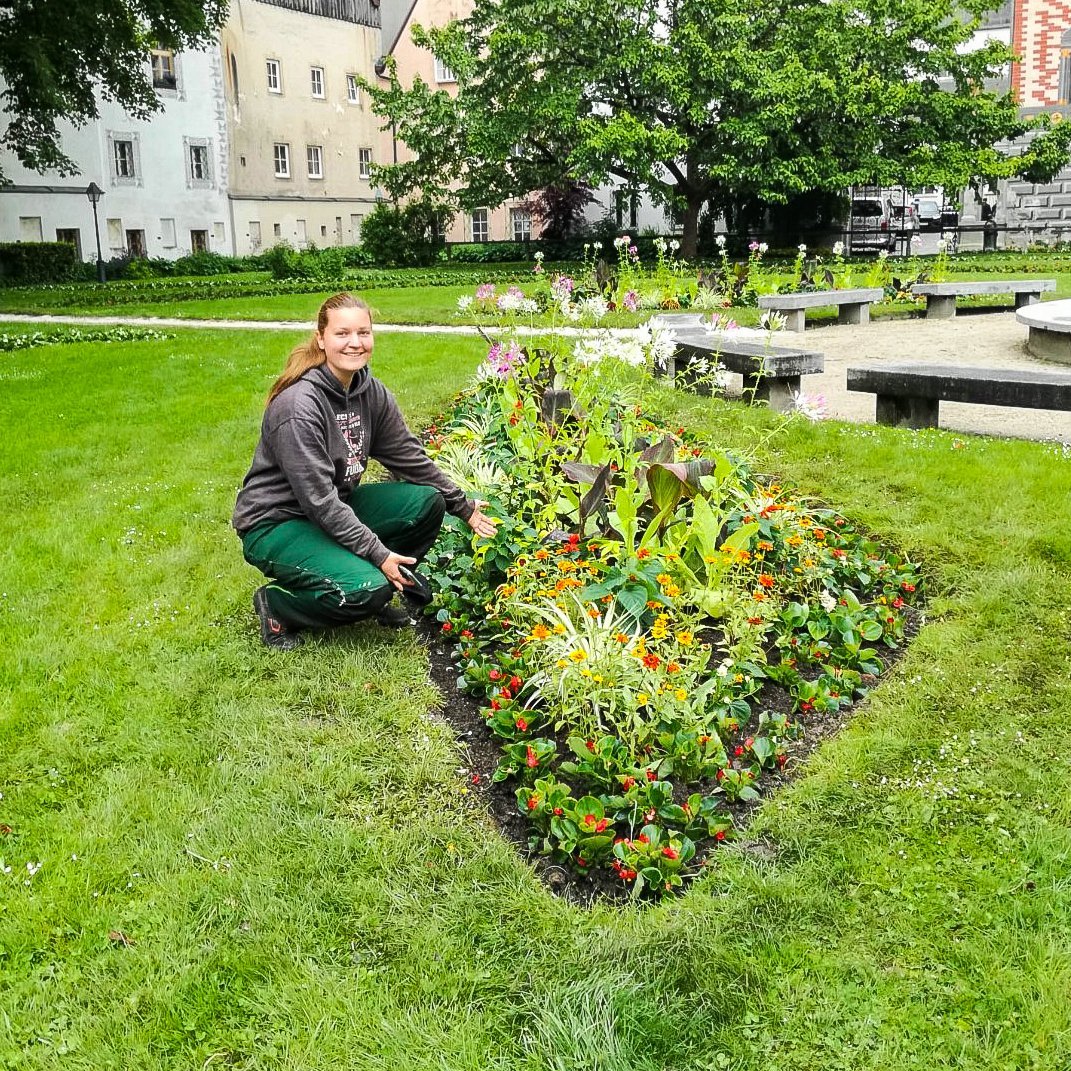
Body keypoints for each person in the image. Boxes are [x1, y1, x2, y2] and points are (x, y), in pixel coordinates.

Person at [233, 292, 497, 649]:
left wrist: (462, 507)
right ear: (321, 338)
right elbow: (319, 502)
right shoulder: (298, 407)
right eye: (342, 334)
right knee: (364, 590)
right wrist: (379, 555)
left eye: (363, 333)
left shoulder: (369, 392)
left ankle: (374, 584)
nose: (355, 343)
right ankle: (279, 604)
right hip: (278, 523)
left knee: (427, 503)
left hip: (331, 508)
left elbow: (409, 457)